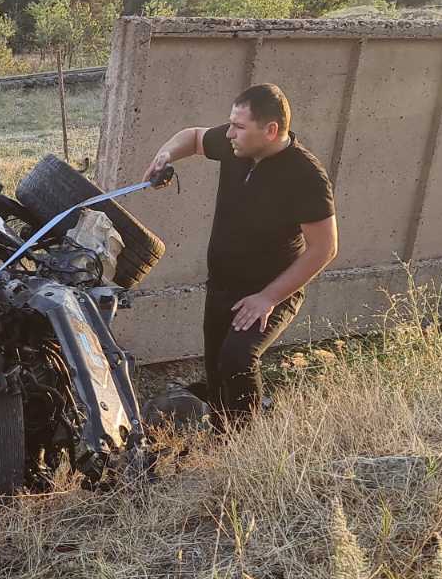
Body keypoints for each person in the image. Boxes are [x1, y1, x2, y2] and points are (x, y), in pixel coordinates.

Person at [144, 83, 338, 423]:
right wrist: (165, 154)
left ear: (271, 130)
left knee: (237, 359)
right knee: (218, 371)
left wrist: (268, 298)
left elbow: (325, 248)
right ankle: (224, 435)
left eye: (239, 126)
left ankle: (247, 443)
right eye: (231, 124)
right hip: (222, 285)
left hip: (271, 290)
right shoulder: (236, 145)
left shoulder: (306, 176)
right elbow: (194, 137)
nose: (229, 133)